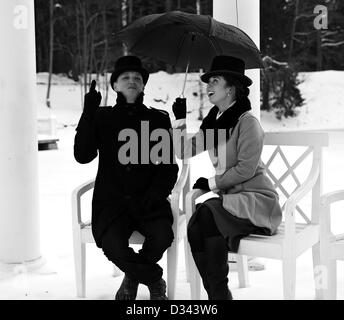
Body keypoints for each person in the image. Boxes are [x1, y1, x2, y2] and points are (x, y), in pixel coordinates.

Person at [171, 55, 282, 300]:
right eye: (208, 81)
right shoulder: (215, 123)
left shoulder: (247, 122)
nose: (208, 86)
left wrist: (209, 184)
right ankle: (219, 296)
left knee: (206, 214)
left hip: (256, 200)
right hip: (230, 202)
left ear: (230, 89)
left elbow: (245, 169)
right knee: (198, 222)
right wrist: (179, 119)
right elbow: (183, 151)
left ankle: (219, 297)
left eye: (215, 81)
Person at [74, 55, 179, 300]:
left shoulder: (158, 119)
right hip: (112, 205)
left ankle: (132, 278)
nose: (132, 81)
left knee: (162, 235)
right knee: (112, 244)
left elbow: (168, 168)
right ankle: (153, 279)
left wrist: (155, 195)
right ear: (115, 85)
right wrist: (88, 113)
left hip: (149, 203)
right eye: (125, 77)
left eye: (137, 78)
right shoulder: (102, 117)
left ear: (144, 85)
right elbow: (82, 155)